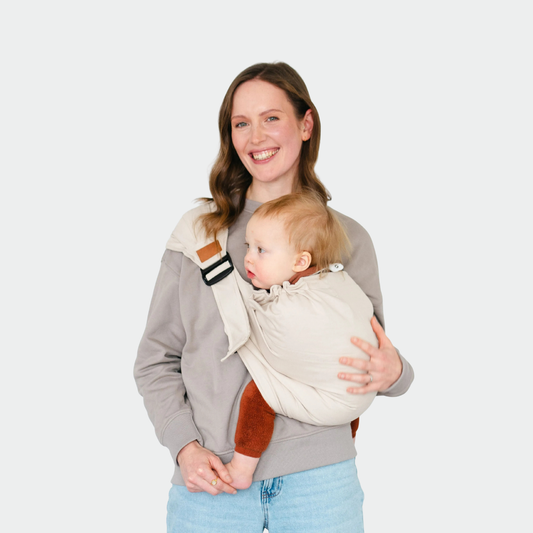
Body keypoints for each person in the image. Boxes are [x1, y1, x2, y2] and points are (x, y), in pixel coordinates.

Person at [135, 61, 414, 533]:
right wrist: (184, 447)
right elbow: (155, 360)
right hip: (211, 481)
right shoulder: (198, 236)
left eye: (271, 118)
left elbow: (366, 358)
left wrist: (399, 373)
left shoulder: (347, 237)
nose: (256, 136)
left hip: (320, 482)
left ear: (306, 124)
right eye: (241, 123)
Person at [225, 191, 380, 490]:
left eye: (261, 250)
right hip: (359, 400)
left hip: (341, 401)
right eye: (248, 246)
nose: (248, 257)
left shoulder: (297, 306)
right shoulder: (336, 279)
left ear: (300, 261)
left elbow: (262, 329)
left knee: (259, 395)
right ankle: (349, 439)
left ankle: (242, 467)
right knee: (332, 379)